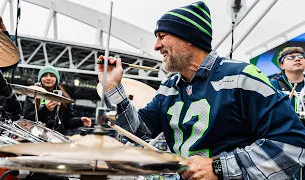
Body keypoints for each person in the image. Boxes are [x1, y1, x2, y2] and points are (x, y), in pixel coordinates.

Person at [98, 1, 305, 179]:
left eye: (162, 36)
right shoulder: (168, 89)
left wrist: (219, 167)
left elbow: (292, 146)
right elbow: (137, 133)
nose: (156, 46)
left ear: (188, 38)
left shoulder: (242, 77)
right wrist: (112, 87)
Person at [23, 65, 91, 135]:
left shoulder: (64, 98)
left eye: (52, 75)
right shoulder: (32, 95)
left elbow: (67, 122)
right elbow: (27, 119)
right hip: (36, 137)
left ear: (56, 79)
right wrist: (45, 109)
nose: (48, 78)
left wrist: (80, 121)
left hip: (57, 139)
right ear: (40, 79)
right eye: (44, 75)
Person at [270, 47, 305, 180]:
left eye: (301, 56)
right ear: (281, 64)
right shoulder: (272, 85)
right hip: (283, 144)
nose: (297, 59)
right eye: (291, 57)